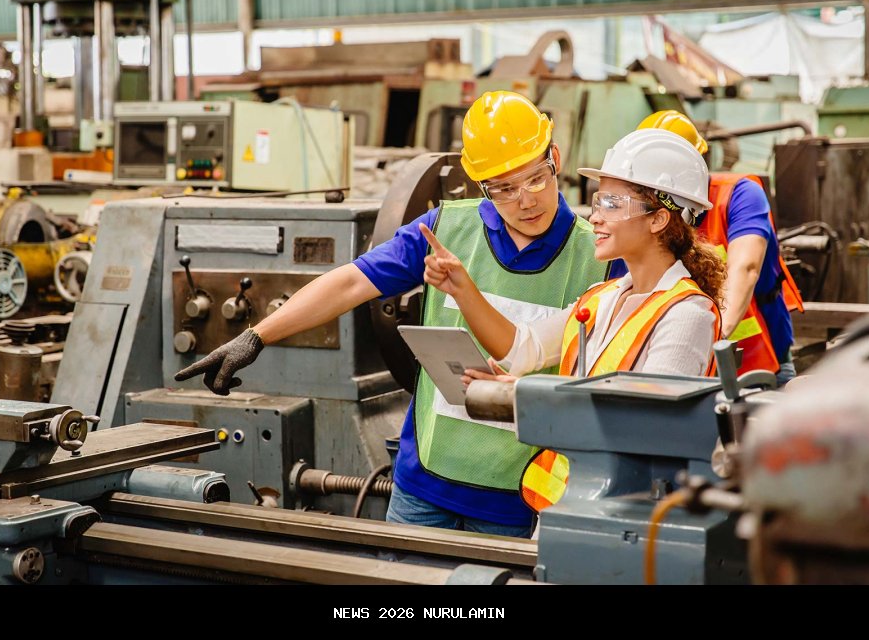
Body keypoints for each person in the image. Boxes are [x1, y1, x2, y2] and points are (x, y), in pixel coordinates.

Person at [174, 90, 606, 537]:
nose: (526, 200)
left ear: (555, 157)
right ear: (482, 186)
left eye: (536, 179)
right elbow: (352, 281)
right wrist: (256, 337)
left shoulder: (599, 257)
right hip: (423, 488)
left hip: (517, 495)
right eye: (504, 189)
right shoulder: (445, 229)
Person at [422, 128, 725, 513]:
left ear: (658, 219)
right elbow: (522, 349)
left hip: (627, 515)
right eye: (597, 202)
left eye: (612, 204)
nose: (594, 218)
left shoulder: (686, 315)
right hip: (574, 504)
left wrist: (524, 397)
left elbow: (648, 427)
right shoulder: (602, 299)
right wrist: (463, 289)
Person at [607, 111, 804, 384]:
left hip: (756, 365)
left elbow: (745, 268)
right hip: (679, 364)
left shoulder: (739, 195)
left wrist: (710, 336)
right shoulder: (643, 216)